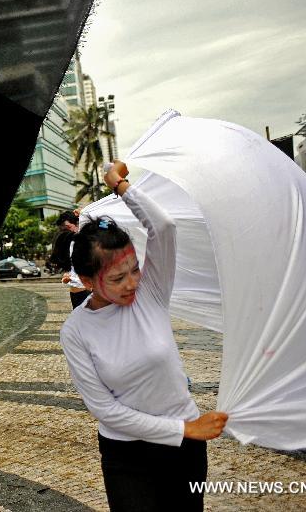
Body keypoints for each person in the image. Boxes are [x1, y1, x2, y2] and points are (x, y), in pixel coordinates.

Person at [59, 161, 228, 512]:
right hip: (128, 454)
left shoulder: (150, 293)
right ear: (87, 282)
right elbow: (105, 410)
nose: (133, 282)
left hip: (184, 450)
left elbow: (163, 227)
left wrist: (120, 185)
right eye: (118, 278)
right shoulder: (75, 330)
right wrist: (182, 430)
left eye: (134, 269)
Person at [54, 210, 91, 308]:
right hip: (75, 293)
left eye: (68, 227)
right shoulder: (69, 242)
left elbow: (106, 224)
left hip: (86, 292)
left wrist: (87, 214)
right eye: (64, 229)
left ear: (77, 223)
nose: (67, 231)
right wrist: (67, 276)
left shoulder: (87, 238)